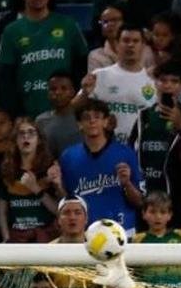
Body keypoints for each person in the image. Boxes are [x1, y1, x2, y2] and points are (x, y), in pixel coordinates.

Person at [0, 0, 87, 119]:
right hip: (28, 115)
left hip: (67, 113)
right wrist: (15, 115)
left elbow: (83, 67)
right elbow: (6, 79)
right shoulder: (11, 31)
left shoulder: (68, 25)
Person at [127, 60, 181, 229]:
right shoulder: (143, 117)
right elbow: (131, 152)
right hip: (147, 198)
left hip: (176, 198)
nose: (168, 86)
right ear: (156, 83)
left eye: (174, 82)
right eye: (163, 80)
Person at [57, 98, 144, 236]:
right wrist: (57, 184)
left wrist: (127, 183)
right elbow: (67, 202)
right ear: (79, 124)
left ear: (105, 121)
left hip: (122, 231)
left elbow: (140, 202)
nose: (92, 121)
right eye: (86, 118)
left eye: (97, 117)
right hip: (85, 234)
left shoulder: (125, 153)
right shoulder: (69, 157)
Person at [80, 25, 156, 144]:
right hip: (104, 148)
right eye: (126, 41)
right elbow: (73, 109)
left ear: (143, 46)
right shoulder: (98, 76)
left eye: (136, 41)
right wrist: (84, 93)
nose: (131, 45)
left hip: (138, 151)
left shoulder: (153, 82)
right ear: (117, 44)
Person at [0, 118, 60, 243]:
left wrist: (36, 188)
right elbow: (2, 213)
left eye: (31, 133)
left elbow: (58, 211)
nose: (26, 137)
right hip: (17, 238)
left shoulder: (50, 169)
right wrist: (6, 239)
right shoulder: (7, 171)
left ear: (39, 140)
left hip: (45, 238)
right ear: (15, 141)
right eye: (21, 133)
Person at [130, 191, 181, 287]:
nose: (158, 217)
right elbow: (133, 272)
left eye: (163, 212)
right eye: (152, 212)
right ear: (144, 214)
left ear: (170, 215)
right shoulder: (138, 239)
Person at [35, 72, 82, 159]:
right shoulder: (40, 121)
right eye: (53, 89)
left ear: (72, 92)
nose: (58, 92)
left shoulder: (83, 118)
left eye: (64, 88)